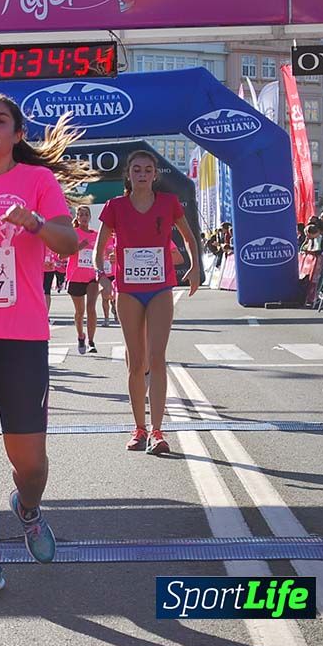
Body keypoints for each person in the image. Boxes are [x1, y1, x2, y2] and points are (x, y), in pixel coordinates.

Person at [0, 97, 86, 600]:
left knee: (29, 462)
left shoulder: (37, 182)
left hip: (23, 336)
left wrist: (33, 222)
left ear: (16, 134)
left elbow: (69, 242)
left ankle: (28, 508)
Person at [94, 150, 200, 456]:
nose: (142, 173)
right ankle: (138, 427)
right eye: (137, 169)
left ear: (155, 175)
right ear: (129, 174)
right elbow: (99, 248)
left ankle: (157, 430)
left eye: (148, 169)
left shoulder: (168, 204)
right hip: (128, 290)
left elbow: (189, 238)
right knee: (136, 361)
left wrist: (194, 267)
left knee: (157, 358)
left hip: (159, 289)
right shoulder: (115, 206)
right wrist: (102, 275)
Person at [66, 205, 100, 354]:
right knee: (79, 312)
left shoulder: (96, 235)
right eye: (81, 215)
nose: (84, 217)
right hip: (75, 277)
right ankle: (81, 336)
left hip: (92, 277)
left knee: (91, 308)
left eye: (86, 214)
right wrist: (79, 247)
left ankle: (91, 341)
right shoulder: (72, 234)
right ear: (77, 218)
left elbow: (103, 254)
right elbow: (62, 254)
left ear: (90, 217)